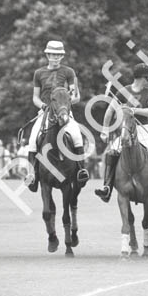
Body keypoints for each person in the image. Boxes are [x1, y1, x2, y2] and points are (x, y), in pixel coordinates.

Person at [94, 63, 148, 203]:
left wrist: (133, 110)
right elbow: (110, 111)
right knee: (112, 152)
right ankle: (107, 187)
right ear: (142, 78)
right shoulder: (123, 91)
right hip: (126, 128)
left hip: (143, 128)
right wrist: (105, 129)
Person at [25, 40, 89, 192]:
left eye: (58, 55)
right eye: (52, 54)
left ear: (62, 56)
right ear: (47, 55)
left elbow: (76, 96)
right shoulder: (39, 73)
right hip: (46, 112)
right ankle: (31, 175)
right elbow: (35, 97)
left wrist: (64, 106)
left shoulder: (69, 72)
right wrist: (43, 106)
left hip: (64, 112)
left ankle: (81, 170)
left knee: (76, 136)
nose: (55, 57)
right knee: (33, 139)